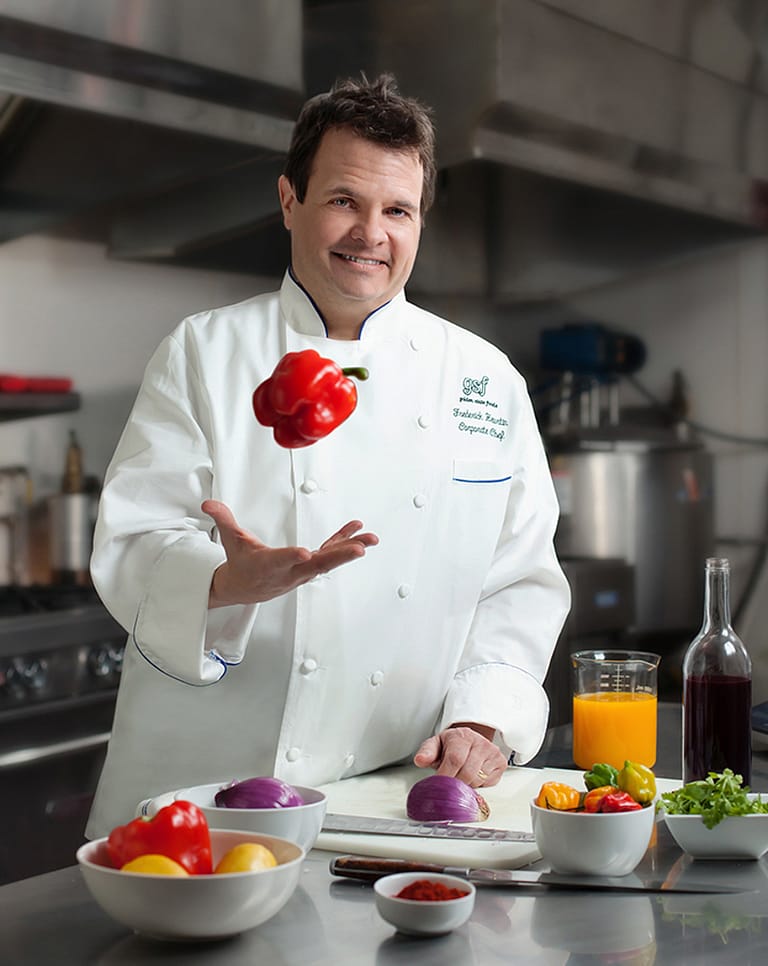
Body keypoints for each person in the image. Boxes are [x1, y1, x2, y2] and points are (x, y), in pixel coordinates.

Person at [85, 73, 570, 837]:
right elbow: (133, 541)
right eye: (344, 200)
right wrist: (219, 582)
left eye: (397, 210)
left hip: (391, 796)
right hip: (202, 797)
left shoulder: (484, 379)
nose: (370, 233)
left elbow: (520, 582)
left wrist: (484, 720)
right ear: (289, 201)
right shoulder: (205, 352)